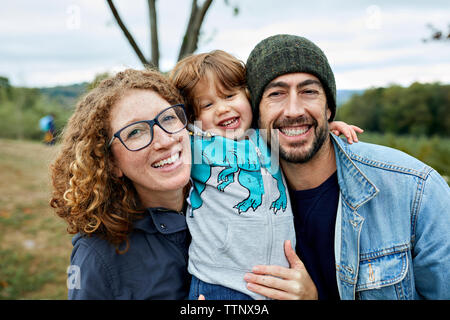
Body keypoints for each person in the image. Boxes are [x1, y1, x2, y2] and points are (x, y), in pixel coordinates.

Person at [243, 34, 450, 300]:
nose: (293, 110)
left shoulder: (416, 191)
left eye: (309, 92)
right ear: (256, 113)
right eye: (276, 94)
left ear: (329, 108)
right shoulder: (233, 191)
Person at [170, 50, 362, 300]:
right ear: (194, 118)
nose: (222, 108)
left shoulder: (265, 138)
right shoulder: (196, 147)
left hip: (279, 283)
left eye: (229, 95)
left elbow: (298, 132)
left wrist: (329, 128)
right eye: (207, 104)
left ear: (248, 95)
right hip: (221, 283)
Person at [50, 69, 193, 299]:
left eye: (168, 118)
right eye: (135, 131)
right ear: (111, 162)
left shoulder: (227, 205)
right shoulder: (97, 257)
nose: (165, 140)